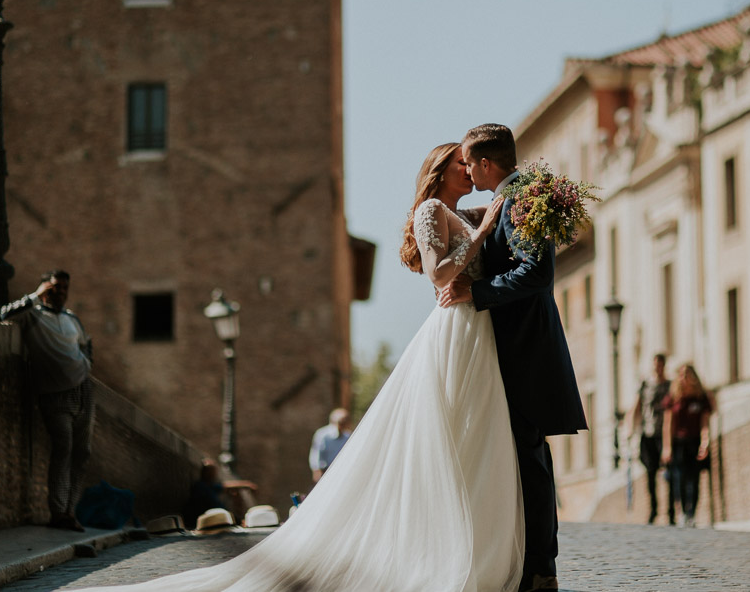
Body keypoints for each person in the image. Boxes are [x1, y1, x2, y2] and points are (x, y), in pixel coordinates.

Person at [74, 142, 516, 592]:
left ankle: (470, 545)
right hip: (453, 328)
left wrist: (523, 196)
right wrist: (481, 235)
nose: (469, 170)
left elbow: (502, 200)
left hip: (476, 332)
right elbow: (439, 275)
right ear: (440, 170)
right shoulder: (432, 210)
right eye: (461, 163)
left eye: (471, 163)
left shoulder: (463, 212)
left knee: (473, 438)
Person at [440, 123, 588, 592]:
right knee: (523, 460)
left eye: (469, 162)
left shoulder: (521, 198)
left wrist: (474, 291)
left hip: (525, 350)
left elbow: (536, 274)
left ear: (486, 164)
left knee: (530, 462)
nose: (465, 169)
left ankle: (541, 569)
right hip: (513, 348)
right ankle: (529, 562)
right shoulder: (515, 195)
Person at [0, 270, 94, 532]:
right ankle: (57, 512)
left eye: (64, 288)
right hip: (53, 394)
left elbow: (86, 345)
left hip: (84, 389)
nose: (60, 293)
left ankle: (69, 510)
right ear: (45, 289)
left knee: (82, 452)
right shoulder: (33, 314)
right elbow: (5, 314)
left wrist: (87, 364)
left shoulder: (72, 318)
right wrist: (36, 295)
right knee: (63, 446)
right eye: (55, 288)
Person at [661, 363, 714, 528]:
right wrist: (667, 447)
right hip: (678, 443)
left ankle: (692, 513)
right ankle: (683, 511)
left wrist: (705, 443)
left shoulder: (700, 398)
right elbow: (668, 424)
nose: (684, 378)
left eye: (688, 374)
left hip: (694, 442)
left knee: (694, 479)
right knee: (679, 479)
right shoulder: (674, 398)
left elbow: (705, 422)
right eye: (682, 375)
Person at [628, 353, 674, 525]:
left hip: (664, 434)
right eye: (655, 364)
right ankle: (654, 509)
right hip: (647, 434)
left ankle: (670, 512)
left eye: (660, 364)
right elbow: (636, 407)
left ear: (664, 366)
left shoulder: (670, 386)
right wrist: (630, 429)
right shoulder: (645, 385)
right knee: (650, 474)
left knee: (669, 474)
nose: (657, 367)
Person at [308, 408, 352, 483]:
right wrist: (316, 470)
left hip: (342, 471)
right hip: (325, 471)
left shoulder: (348, 436)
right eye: (341, 421)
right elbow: (315, 453)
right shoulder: (322, 435)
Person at [183, 459, 227, 530]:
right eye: (211, 471)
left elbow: (226, 487)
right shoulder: (200, 487)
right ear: (204, 472)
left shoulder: (212, 486)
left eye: (214, 471)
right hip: (204, 524)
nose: (214, 474)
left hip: (218, 519)